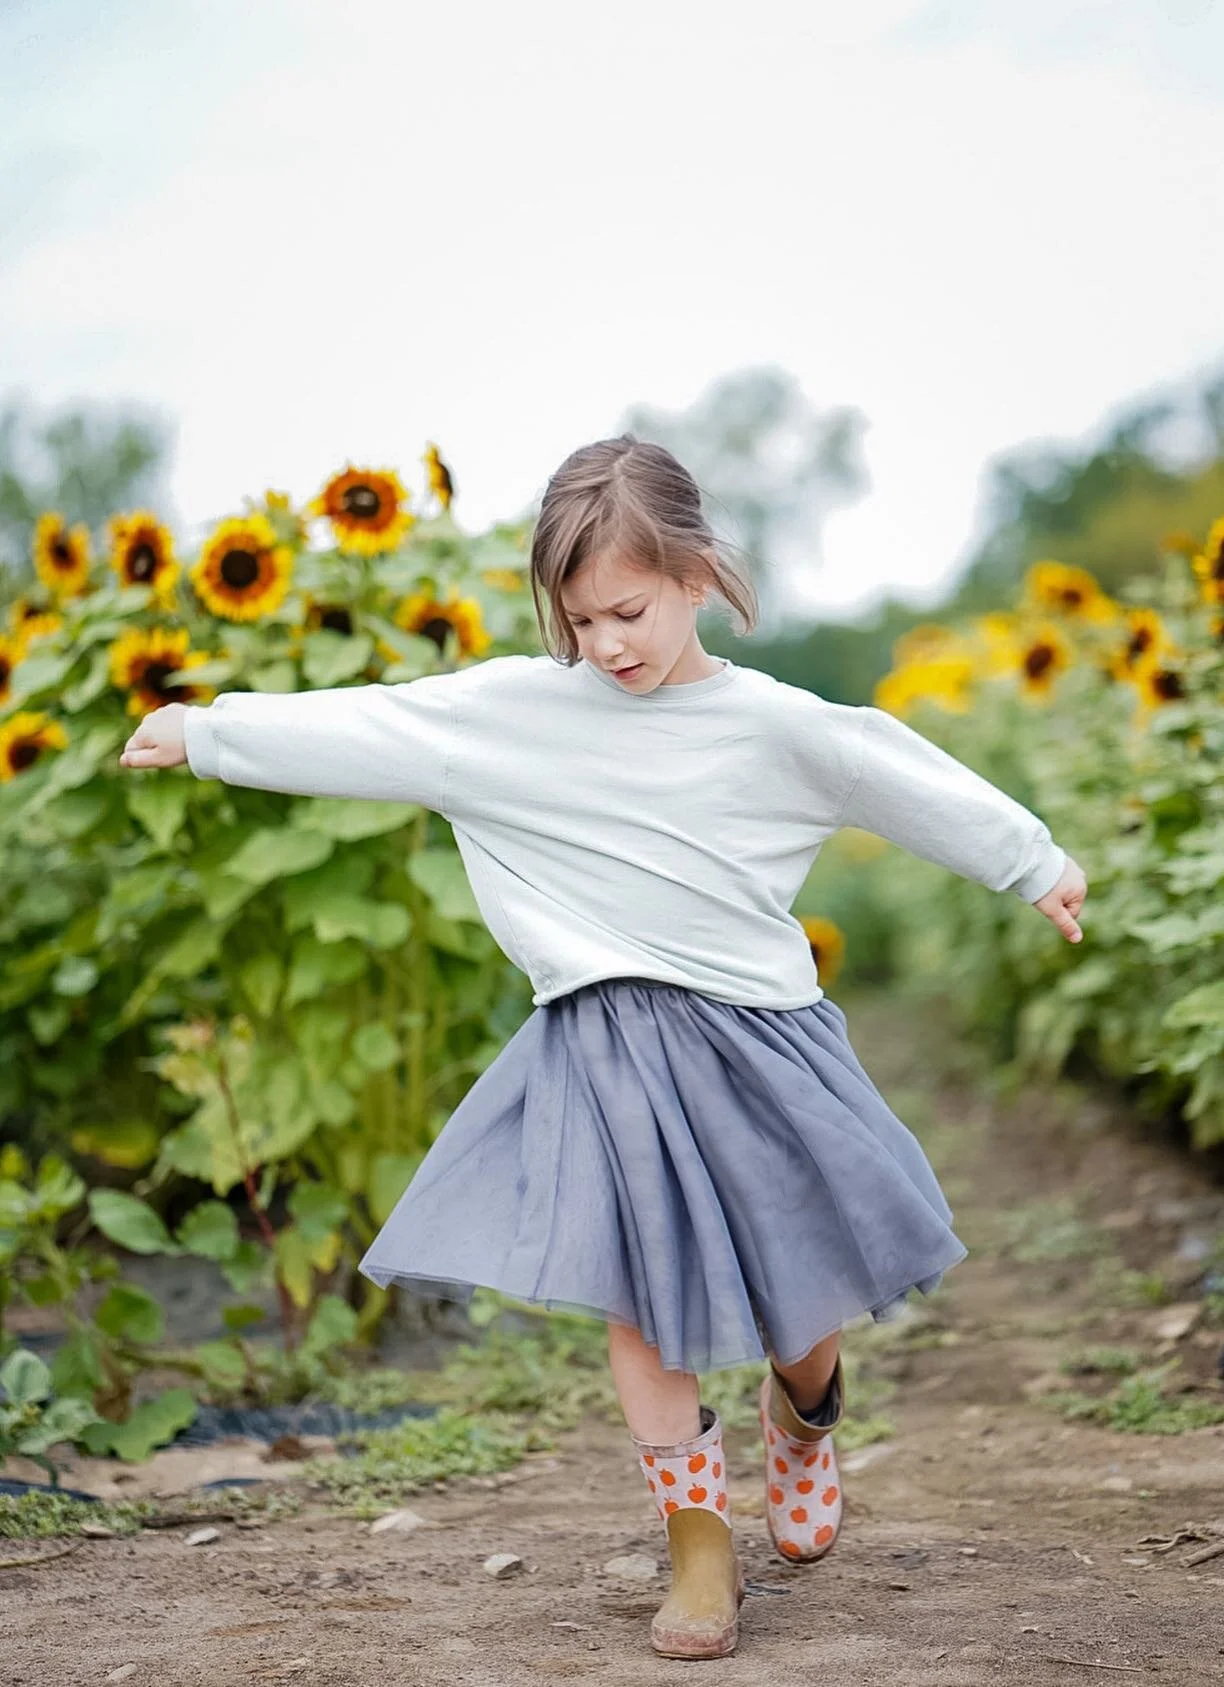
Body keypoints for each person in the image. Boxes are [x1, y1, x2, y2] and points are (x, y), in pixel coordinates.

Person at [119, 433, 1088, 1661]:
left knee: (804, 1293)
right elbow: (378, 727)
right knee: (643, 1306)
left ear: (696, 575)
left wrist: (1031, 862)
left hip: (763, 1037)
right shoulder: (515, 717)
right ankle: (698, 1550)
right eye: (579, 622)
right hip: (604, 1042)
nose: (606, 644)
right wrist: (211, 732)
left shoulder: (775, 726)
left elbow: (895, 773)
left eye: (628, 609)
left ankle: (803, 1413)